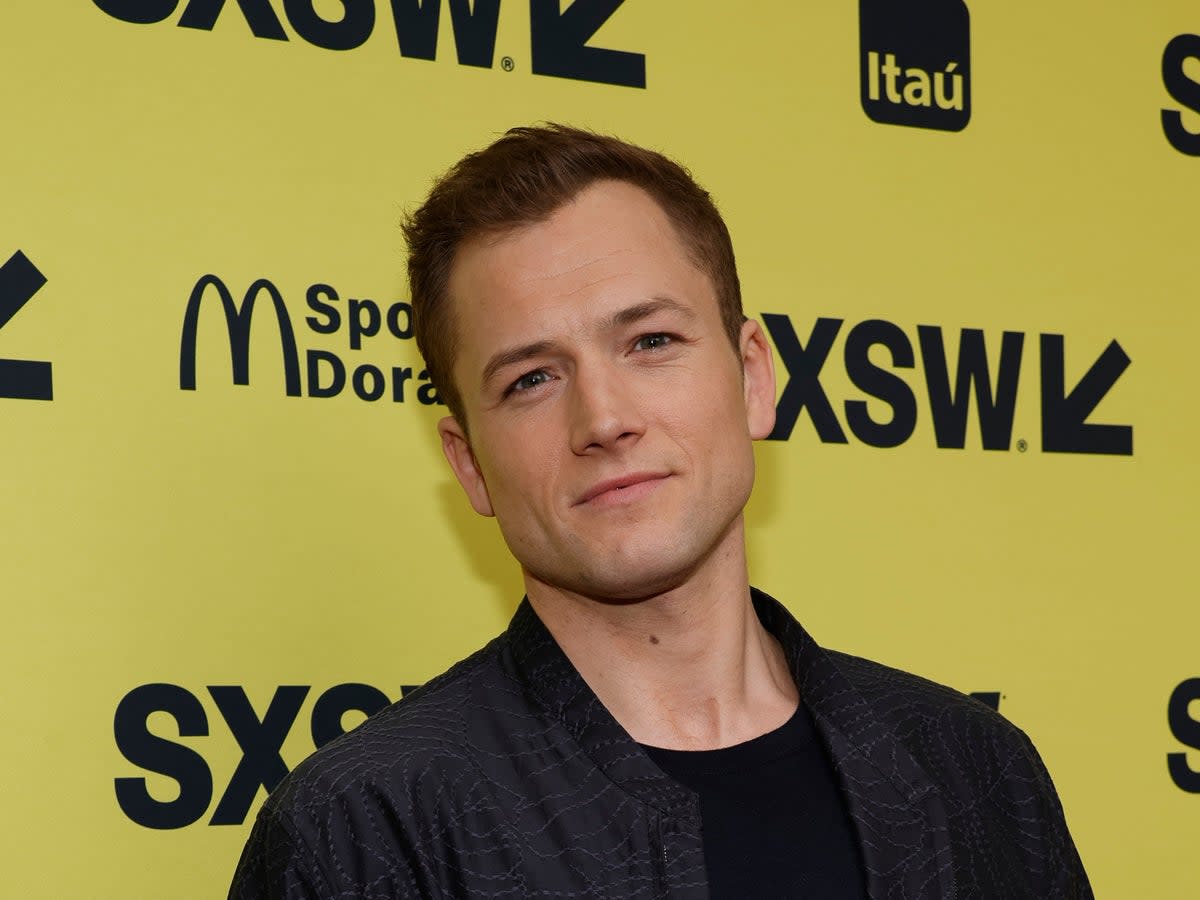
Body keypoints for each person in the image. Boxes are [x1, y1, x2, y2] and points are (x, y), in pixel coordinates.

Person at [229, 124, 1092, 899]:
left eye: (650, 342)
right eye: (531, 379)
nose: (604, 419)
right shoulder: (364, 832)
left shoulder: (977, 770)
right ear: (470, 465)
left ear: (753, 376)